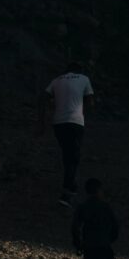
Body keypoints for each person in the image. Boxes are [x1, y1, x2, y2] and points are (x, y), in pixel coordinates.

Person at [43, 62, 95, 200]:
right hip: (75, 121)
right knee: (74, 155)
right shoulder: (84, 79)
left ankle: (70, 183)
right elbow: (90, 102)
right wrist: (84, 112)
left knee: (67, 152)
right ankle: (68, 189)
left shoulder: (56, 80)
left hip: (59, 122)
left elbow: (43, 97)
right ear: (79, 70)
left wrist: (41, 120)